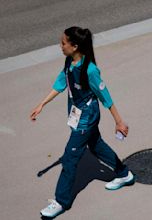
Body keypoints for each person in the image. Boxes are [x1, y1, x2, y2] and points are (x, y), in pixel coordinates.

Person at [30, 26, 135, 218]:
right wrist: (42, 104)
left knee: (70, 158)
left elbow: (105, 96)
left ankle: (61, 201)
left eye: (63, 43)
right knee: (95, 146)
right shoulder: (69, 62)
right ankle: (124, 174)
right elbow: (61, 83)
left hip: (87, 118)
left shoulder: (90, 70)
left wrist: (119, 122)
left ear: (75, 45)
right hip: (78, 114)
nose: (60, 46)